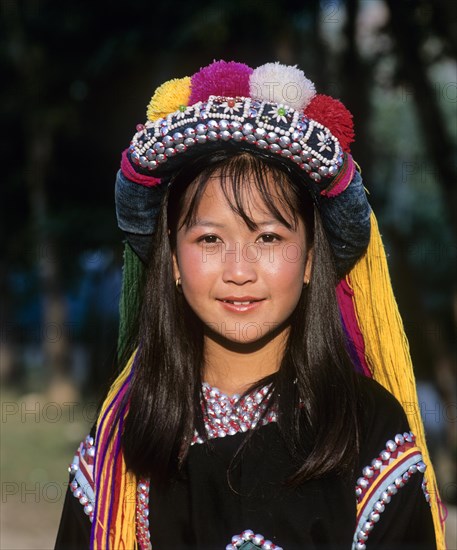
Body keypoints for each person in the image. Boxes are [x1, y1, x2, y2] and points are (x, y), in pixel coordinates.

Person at [55, 60, 445, 550]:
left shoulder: (367, 430)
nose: (239, 270)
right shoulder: (125, 439)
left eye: (268, 236)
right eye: (211, 239)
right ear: (173, 260)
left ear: (309, 260)